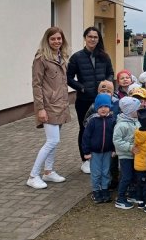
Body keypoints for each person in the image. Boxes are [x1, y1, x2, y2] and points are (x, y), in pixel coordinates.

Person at [28, 27, 71, 189]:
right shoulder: (41, 58)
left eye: (59, 39)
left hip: (60, 104)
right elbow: (36, 84)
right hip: (48, 106)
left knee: (54, 142)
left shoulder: (62, 57)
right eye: (53, 39)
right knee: (52, 141)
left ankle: (48, 171)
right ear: (47, 40)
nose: (56, 41)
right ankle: (33, 176)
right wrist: (40, 108)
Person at [67, 26, 114, 175]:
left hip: (102, 99)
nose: (93, 39)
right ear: (85, 38)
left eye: (95, 37)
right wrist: (81, 87)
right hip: (84, 100)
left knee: (104, 127)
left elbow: (110, 73)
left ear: (98, 39)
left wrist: (107, 85)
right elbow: (68, 77)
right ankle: (85, 160)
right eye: (90, 36)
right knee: (85, 128)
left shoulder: (104, 56)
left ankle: (103, 156)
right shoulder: (77, 57)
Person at [82, 93, 116, 203]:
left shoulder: (112, 120)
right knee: (96, 173)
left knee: (106, 172)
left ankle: (105, 190)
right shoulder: (92, 121)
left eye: (106, 106)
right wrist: (86, 152)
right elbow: (86, 137)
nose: (103, 109)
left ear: (109, 107)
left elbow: (114, 136)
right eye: (100, 107)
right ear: (96, 108)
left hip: (107, 151)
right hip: (94, 152)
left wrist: (114, 149)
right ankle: (96, 191)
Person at [113, 96, 141, 210]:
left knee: (134, 175)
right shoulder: (121, 125)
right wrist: (130, 147)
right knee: (126, 176)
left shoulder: (136, 121)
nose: (138, 111)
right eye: (136, 109)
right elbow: (117, 141)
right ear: (130, 111)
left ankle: (131, 194)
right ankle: (120, 198)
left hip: (134, 154)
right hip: (125, 155)